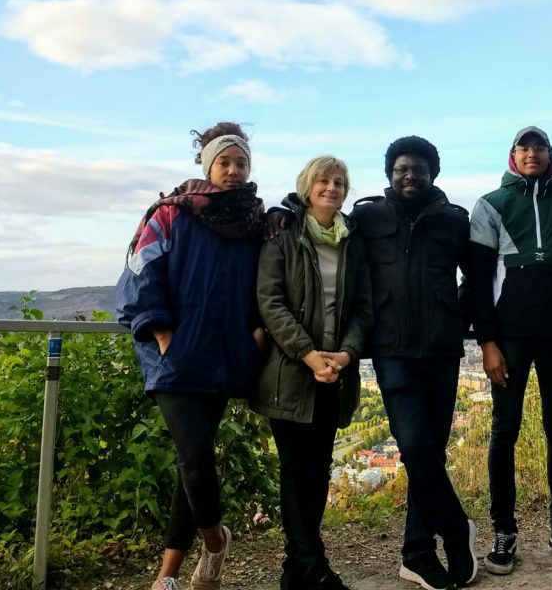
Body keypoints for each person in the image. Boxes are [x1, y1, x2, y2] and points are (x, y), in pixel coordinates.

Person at [117, 122, 266, 590]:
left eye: (241, 163)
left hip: (224, 357)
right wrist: (162, 334)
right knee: (195, 455)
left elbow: (267, 283)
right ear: (208, 165)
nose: (234, 171)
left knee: (192, 463)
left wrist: (256, 334)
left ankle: (167, 576)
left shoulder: (255, 223)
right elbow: (142, 269)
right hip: (175, 355)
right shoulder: (170, 214)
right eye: (225, 162)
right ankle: (217, 542)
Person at [469, 126, 552, 575]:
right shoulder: (491, 205)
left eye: (539, 147)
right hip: (509, 339)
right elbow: (478, 281)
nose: (532, 153)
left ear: (549, 156)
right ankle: (504, 532)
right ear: (512, 155)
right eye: (524, 147)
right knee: (504, 431)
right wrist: (487, 342)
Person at [350, 136, 479, 590]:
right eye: (402, 168)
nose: (410, 175)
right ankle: (457, 530)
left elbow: (478, 273)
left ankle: (417, 553)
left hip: (442, 348)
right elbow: (327, 239)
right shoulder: (367, 216)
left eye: (419, 169)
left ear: (433, 174)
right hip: (390, 348)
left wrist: (459, 310)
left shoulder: (453, 220)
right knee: (414, 446)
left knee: (432, 451)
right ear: (390, 173)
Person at [252, 155, 372, 590]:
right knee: (295, 469)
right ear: (307, 187)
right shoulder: (283, 233)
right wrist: (308, 354)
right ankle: (315, 567)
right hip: (289, 371)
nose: (332, 187)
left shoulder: (351, 240)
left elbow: (362, 306)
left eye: (339, 181)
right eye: (323, 180)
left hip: (334, 373)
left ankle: (295, 570)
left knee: (318, 470)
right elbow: (270, 301)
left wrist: (345, 354)